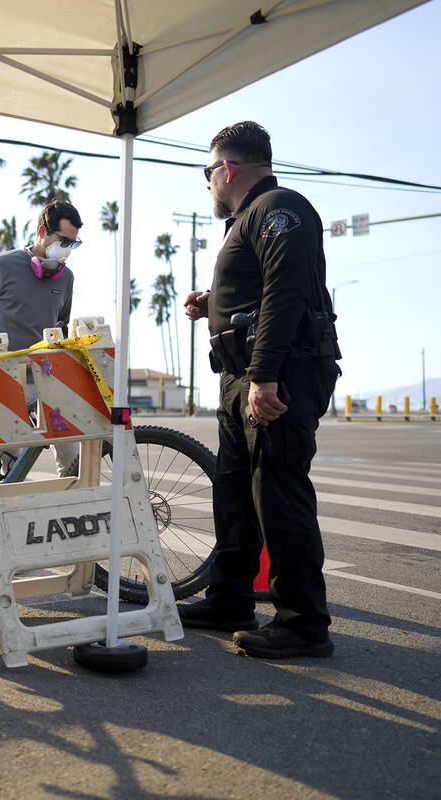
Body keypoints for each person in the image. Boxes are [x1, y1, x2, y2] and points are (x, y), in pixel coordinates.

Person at [180, 121, 341, 659]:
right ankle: (230, 598)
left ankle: (302, 623)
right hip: (241, 374)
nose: (208, 184)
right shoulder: (249, 219)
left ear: (227, 169)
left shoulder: (279, 207)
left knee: (278, 493)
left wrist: (265, 375)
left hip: (278, 374)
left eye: (209, 172)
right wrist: (214, 304)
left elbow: (287, 292)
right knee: (233, 490)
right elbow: (258, 291)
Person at [0, 200, 82, 477]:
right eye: (63, 240)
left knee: (73, 458)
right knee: (11, 465)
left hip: (49, 377)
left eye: (72, 243)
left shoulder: (67, 279)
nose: (66, 249)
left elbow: (61, 326)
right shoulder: (3, 265)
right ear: (42, 231)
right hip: (6, 379)